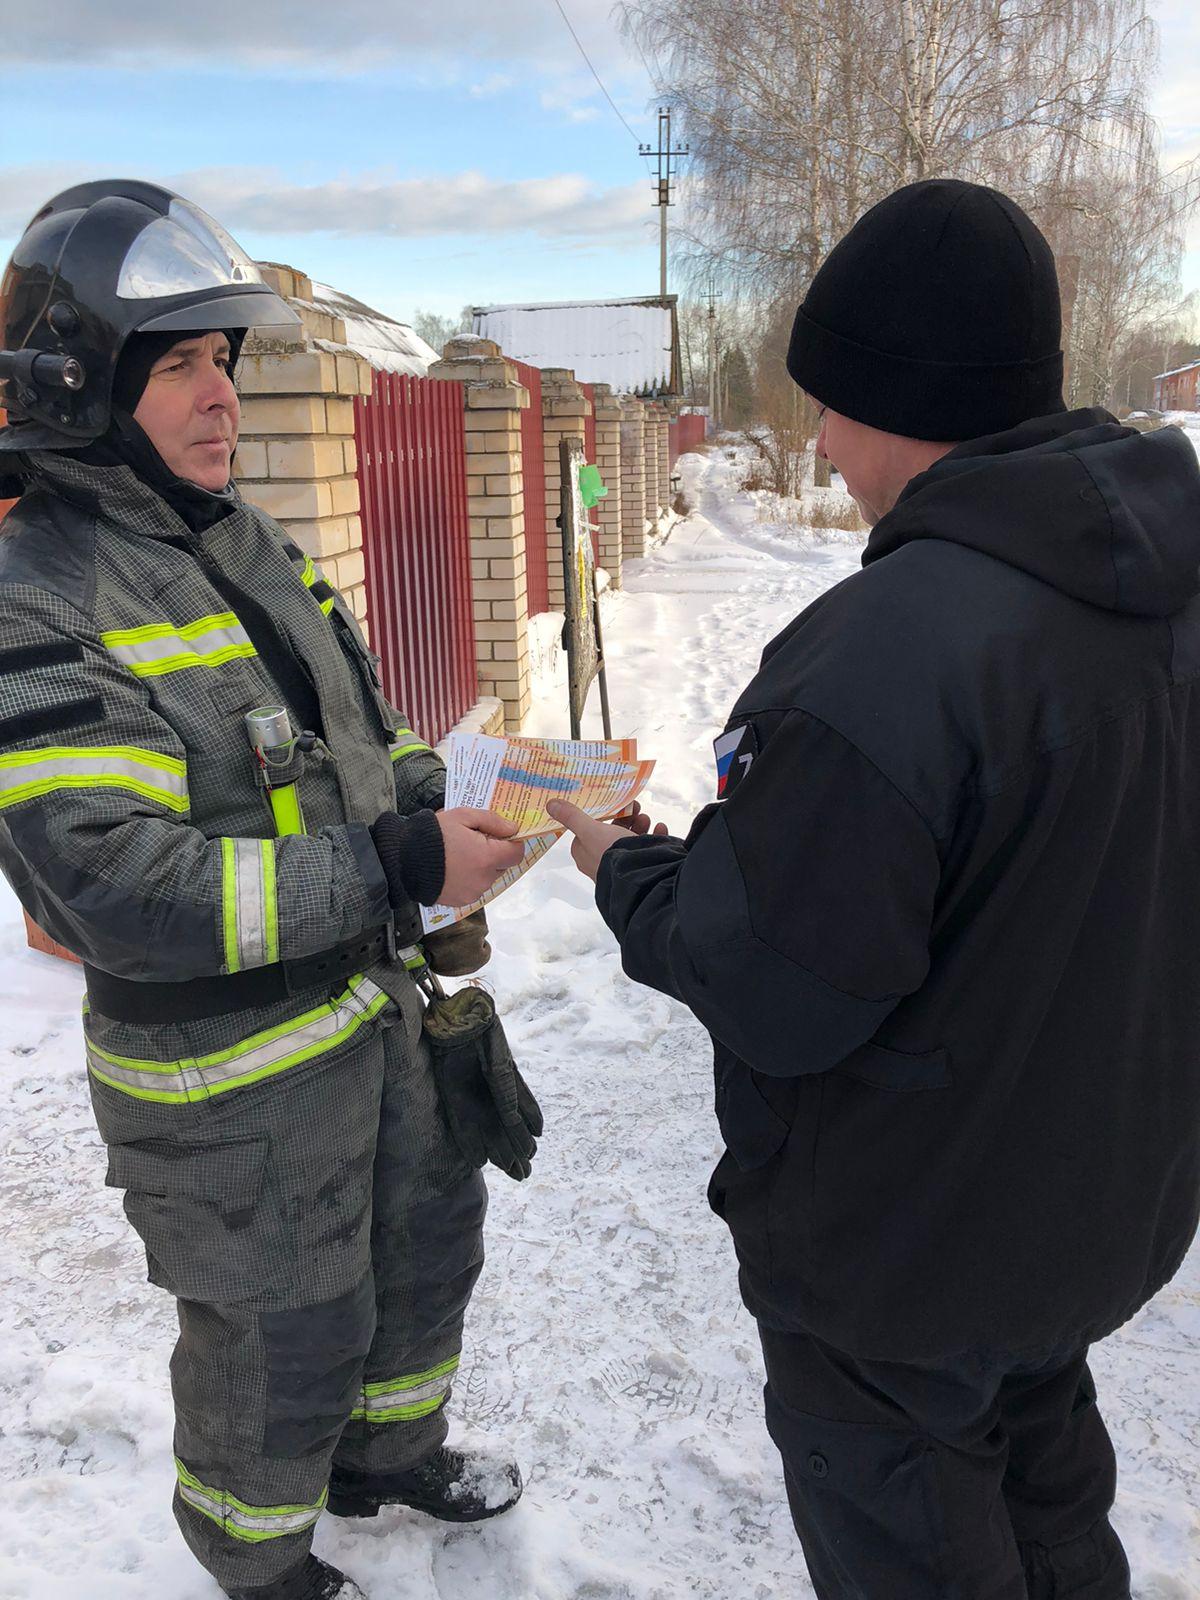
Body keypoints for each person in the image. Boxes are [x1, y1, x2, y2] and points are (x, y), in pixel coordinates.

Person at [549, 178, 1200, 1599]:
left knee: (921, 1541)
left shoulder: (886, 658)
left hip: (909, 1259)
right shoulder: (1164, 595)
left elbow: (774, 983)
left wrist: (624, 860)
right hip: (1089, 1209)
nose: (825, 446)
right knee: (1047, 1498)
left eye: (833, 404)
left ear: (903, 398)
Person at [0, 179, 532, 1600]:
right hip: (224, 1077)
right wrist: (396, 866)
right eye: (177, 363)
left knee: (422, 1254)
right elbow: (113, 883)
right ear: (75, 382)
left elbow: (360, 736)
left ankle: (382, 1460)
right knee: (279, 1334)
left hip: (366, 1013)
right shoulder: (36, 593)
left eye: (224, 360)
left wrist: (469, 794)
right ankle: (259, 1560)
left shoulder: (245, 539)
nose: (221, 395)